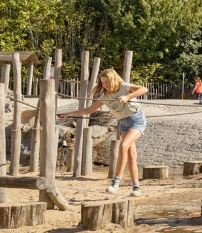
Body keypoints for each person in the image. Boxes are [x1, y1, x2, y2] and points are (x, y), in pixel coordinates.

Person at [58, 69, 148, 197]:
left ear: (113, 80)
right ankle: (136, 187)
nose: (105, 85)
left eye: (106, 82)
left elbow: (143, 89)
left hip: (137, 120)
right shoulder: (105, 96)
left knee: (123, 146)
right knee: (131, 155)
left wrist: (128, 96)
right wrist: (68, 114)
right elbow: (89, 110)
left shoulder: (124, 87)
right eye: (103, 83)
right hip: (123, 123)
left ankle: (115, 182)